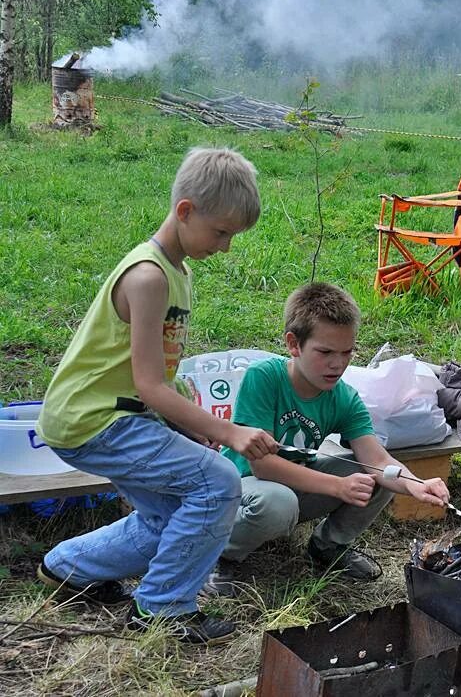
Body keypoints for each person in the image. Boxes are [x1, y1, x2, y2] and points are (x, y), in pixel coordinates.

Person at [35, 148, 279, 645]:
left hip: (118, 415)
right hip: (95, 419)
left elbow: (159, 377)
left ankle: (66, 568)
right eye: (221, 232)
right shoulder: (147, 277)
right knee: (218, 483)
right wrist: (227, 432)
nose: (227, 247)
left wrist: (189, 425)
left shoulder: (178, 271)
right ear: (185, 211)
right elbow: (149, 384)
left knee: (170, 515)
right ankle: (164, 608)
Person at [201, 282, 450, 597]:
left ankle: (328, 546)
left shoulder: (343, 397)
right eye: (325, 352)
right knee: (278, 502)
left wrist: (416, 484)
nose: (338, 364)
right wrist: (337, 486)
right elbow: (262, 466)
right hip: (242, 487)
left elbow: (378, 460)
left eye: (347, 352)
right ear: (294, 344)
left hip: (295, 488)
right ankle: (221, 554)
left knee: (380, 479)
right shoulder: (263, 378)